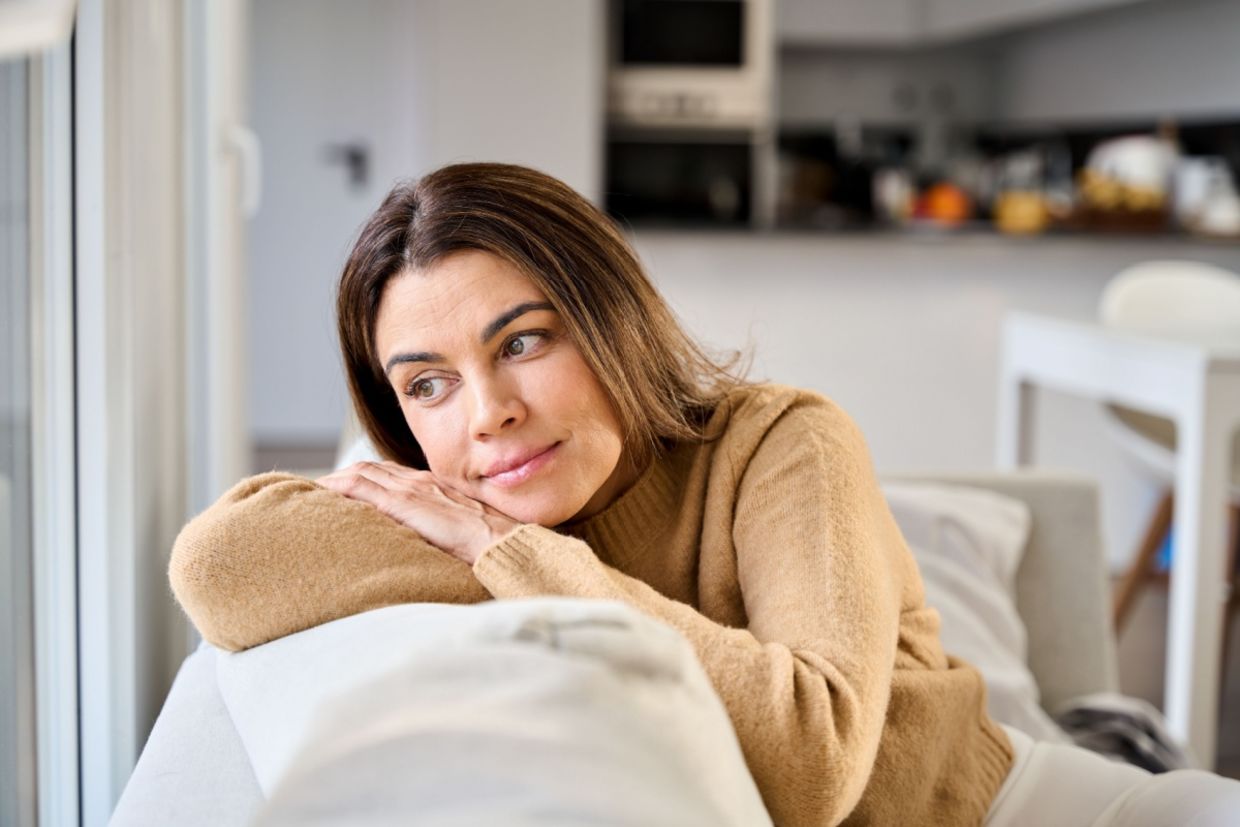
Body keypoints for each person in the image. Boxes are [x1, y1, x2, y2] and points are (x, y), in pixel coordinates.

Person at [170, 162, 1240, 826]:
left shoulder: (779, 440)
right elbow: (217, 566)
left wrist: (512, 555)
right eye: (428, 384)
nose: (486, 411)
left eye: (524, 340)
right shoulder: (459, 497)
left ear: (612, 319)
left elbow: (811, 764)